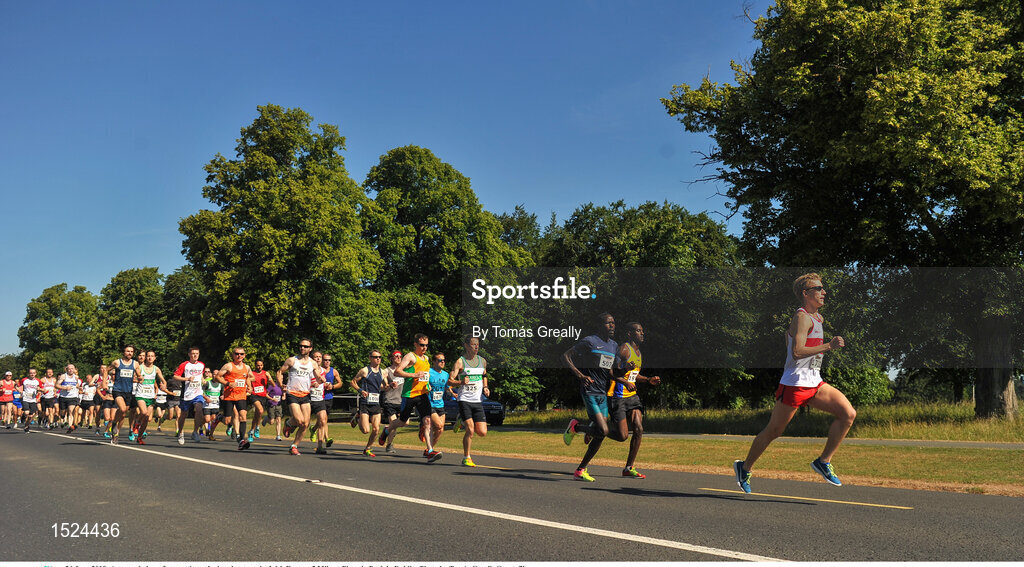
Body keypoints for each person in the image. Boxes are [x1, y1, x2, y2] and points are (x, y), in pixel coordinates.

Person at [734, 273, 855, 494]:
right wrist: (829, 346)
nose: (823, 292)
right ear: (805, 293)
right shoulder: (802, 317)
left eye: (823, 288)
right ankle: (744, 467)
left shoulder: (818, 318)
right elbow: (798, 351)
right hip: (795, 383)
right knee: (773, 432)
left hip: (814, 382)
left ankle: (823, 461)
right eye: (818, 288)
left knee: (848, 414)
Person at [562, 313, 625, 482]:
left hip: (603, 393)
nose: (612, 326)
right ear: (600, 325)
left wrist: (624, 375)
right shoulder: (589, 341)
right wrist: (580, 375)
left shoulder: (613, 346)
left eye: (613, 323)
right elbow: (566, 356)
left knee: (600, 434)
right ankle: (577, 428)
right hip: (589, 391)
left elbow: (611, 372)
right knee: (603, 430)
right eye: (608, 323)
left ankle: (580, 470)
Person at [609, 322, 661, 479]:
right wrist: (624, 381)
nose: (642, 333)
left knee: (638, 428)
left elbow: (633, 375)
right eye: (638, 331)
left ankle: (628, 467)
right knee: (622, 436)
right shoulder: (624, 349)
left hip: (632, 396)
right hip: (618, 396)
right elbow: (611, 372)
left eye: (642, 331)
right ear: (630, 334)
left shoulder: (639, 353)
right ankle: (597, 429)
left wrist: (647, 379)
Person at [377, 334, 433, 456]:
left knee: (427, 421)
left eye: (426, 345)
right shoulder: (410, 356)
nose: (424, 348)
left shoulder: (426, 359)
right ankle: (387, 430)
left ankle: (430, 450)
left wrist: (427, 385)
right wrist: (414, 375)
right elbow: (397, 371)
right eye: (422, 345)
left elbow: (425, 376)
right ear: (415, 344)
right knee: (402, 422)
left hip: (422, 394)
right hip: (409, 395)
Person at [277, 338, 324, 455]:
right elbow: (279, 372)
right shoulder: (292, 360)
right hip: (292, 393)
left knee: (306, 423)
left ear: (310, 349)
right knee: (299, 420)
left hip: (305, 394)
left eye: (305, 346)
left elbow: (318, 376)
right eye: (301, 346)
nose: (302, 348)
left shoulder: (313, 363)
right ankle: (289, 423)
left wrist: (322, 380)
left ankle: (294, 445)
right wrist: (280, 384)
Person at [448, 336, 490, 467]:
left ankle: (460, 420)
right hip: (464, 399)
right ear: (466, 346)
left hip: (477, 400)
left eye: (477, 344)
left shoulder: (482, 361)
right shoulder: (460, 362)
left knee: (482, 432)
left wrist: (485, 387)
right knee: (470, 430)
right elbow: (449, 380)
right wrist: (460, 382)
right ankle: (466, 457)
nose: (476, 347)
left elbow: (484, 375)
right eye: (473, 345)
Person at [350, 350, 389, 457]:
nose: (378, 359)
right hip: (365, 403)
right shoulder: (364, 371)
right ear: (370, 358)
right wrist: (360, 390)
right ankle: (357, 418)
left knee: (376, 429)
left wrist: (391, 386)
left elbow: (385, 387)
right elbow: (353, 382)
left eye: (380, 357)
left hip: (376, 403)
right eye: (376, 357)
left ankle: (367, 448)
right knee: (366, 430)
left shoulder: (383, 372)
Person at [217, 346, 254, 450]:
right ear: (233, 355)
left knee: (243, 415)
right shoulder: (228, 366)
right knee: (227, 420)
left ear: (244, 355)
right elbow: (218, 377)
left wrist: (249, 387)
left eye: (241, 354)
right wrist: (228, 383)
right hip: (229, 396)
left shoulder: (247, 367)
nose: (239, 356)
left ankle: (242, 440)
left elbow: (247, 378)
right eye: (237, 354)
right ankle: (220, 418)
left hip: (241, 395)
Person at [131, 351, 167, 444]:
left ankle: (139, 437)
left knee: (147, 418)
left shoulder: (156, 369)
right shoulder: (140, 367)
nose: (150, 358)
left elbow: (163, 380)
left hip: (150, 396)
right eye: (148, 356)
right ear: (146, 358)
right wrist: (138, 380)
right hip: (140, 394)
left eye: (152, 356)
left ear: (155, 358)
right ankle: (136, 423)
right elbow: (133, 378)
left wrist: (164, 385)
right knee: (143, 412)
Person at [173, 347, 208, 445]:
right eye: (193, 353)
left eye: (197, 353)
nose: (195, 355)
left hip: (198, 393)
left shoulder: (202, 365)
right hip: (186, 393)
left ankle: (195, 432)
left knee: (199, 409)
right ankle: (180, 433)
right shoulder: (184, 365)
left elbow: (200, 374)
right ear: (189, 354)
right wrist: (187, 379)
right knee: (183, 415)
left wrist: (202, 380)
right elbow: (175, 376)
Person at [107, 345, 140, 445]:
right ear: (124, 352)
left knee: (123, 414)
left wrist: (141, 379)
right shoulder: (117, 362)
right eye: (128, 351)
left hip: (128, 391)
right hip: (118, 390)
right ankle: (114, 426)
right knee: (122, 409)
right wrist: (105, 381)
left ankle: (116, 432)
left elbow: (139, 376)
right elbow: (106, 370)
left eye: (131, 351)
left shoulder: (135, 364)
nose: (130, 353)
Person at [308, 352, 336, 450]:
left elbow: (323, 383)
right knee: (303, 423)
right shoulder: (308, 369)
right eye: (316, 357)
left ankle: (320, 447)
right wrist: (312, 385)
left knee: (322, 421)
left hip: (319, 399)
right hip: (308, 398)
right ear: (312, 358)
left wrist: (327, 385)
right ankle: (290, 424)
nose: (318, 359)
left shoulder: (324, 371)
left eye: (320, 357)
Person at [379, 350, 404, 453]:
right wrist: (388, 386)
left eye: (400, 356)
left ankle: (386, 430)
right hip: (389, 400)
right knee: (393, 423)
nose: (398, 358)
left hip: (401, 400)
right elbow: (380, 387)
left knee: (405, 422)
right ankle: (389, 445)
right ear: (392, 358)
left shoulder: (404, 371)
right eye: (396, 356)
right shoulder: (386, 371)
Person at [247, 359, 270, 442]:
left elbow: (273, 385)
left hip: (262, 396)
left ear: (263, 366)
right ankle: (257, 427)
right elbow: (247, 381)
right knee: (260, 410)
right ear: (255, 365)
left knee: (257, 415)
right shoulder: (252, 374)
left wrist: (269, 377)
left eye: (261, 365)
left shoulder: (265, 373)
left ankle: (251, 432)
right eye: (258, 365)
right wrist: (249, 387)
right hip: (254, 395)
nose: (259, 367)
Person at [56, 364, 82, 433]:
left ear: (74, 369)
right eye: (69, 369)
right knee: (63, 412)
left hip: (72, 397)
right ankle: (62, 416)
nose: (71, 370)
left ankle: (70, 426)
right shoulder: (63, 376)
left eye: (72, 369)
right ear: (66, 369)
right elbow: (56, 385)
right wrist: (65, 388)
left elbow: (77, 385)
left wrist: (78, 387)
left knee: (71, 411)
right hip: (63, 397)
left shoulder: (76, 377)